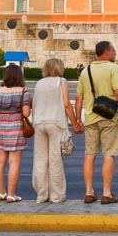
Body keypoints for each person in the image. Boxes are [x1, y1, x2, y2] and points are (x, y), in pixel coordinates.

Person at [76, 40, 118, 205]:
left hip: (91, 117)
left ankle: (89, 191)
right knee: (108, 154)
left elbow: (79, 98)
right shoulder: (113, 68)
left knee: (89, 155)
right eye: (114, 50)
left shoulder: (85, 71)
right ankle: (106, 193)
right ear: (107, 52)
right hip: (110, 117)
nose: (115, 53)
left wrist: (77, 119)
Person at [32, 58, 82, 204]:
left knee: (40, 160)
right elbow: (66, 105)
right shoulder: (61, 81)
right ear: (59, 68)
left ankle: (41, 195)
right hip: (55, 123)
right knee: (55, 160)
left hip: (39, 123)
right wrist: (75, 123)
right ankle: (56, 195)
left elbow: (34, 103)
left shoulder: (39, 83)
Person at [0, 64, 32, 203]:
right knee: (14, 162)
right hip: (15, 127)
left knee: (0, 161)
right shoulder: (23, 92)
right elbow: (26, 113)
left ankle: (0, 193)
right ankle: (11, 195)